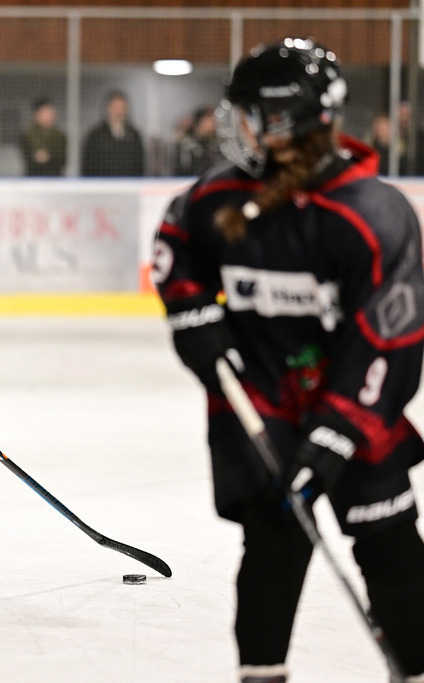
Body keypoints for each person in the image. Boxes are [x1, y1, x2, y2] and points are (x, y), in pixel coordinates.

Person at [151, 38, 424, 683]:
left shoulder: (368, 215)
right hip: (265, 405)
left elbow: (387, 341)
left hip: (356, 411)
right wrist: (193, 315)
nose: (234, 127)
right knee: (272, 547)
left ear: (284, 118)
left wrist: (336, 433)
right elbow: (174, 244)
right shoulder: (222, 196)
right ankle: (262, 674)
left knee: (389, 547)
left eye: (248, 112)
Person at [82, 90, 145, 176]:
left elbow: (140, 165)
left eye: (122, 108)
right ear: (108, 108)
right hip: (101, 185)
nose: (119, 112)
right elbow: (88, 165)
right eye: (116, 108)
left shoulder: (134, 135)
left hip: (128, 185)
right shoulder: (95, 136)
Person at [19, 98, 67, 176]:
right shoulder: (27, 135)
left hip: (55, 178)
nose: (51, 115)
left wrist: (48, 157)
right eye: (46, 111)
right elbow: (29, 158)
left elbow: (62, 160)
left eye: (51, 112)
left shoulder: (60, 136)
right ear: (37, 114)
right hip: (34, 178)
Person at [173, 105, 219, 176]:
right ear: (200, 121)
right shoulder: (187, 145)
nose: (214, 122)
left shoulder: (214, 145)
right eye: (210, 118)